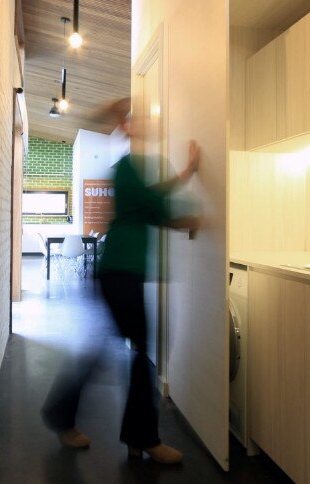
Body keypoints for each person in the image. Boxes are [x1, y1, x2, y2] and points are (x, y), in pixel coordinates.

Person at [42, 98, 203, 465]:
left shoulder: (137, 168)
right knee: (137, 353)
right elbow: (156, 206)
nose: (144, 123)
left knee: (112, 352)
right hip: (120, 274)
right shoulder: (128, 167)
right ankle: (140, 437)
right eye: (136, 120)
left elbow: (154, 199)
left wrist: (187, 174)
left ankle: (75, 419)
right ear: (126, 129)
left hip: (121, 274)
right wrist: (188, 216)